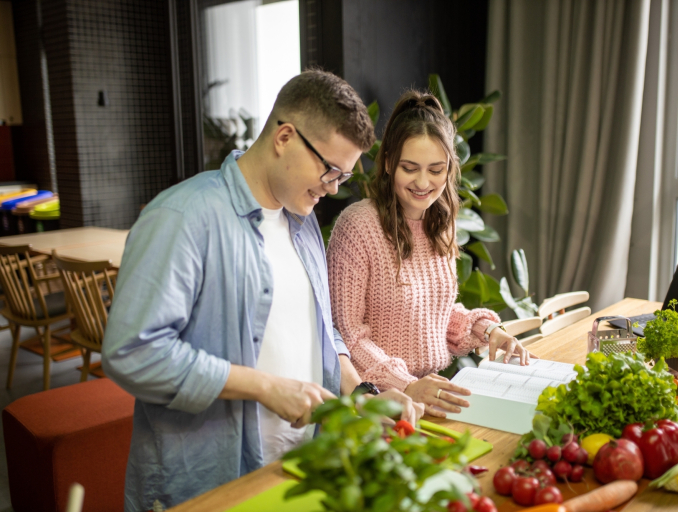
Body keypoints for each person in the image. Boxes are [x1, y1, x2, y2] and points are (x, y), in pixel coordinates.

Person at [102, 70, 422, 512]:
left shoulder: (304, 223)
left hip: (300, 468)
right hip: (209, 481)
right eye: (329, 170)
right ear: (285, 137)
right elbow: (132, 353)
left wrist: (361, 393)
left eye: (343, 176)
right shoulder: (183, 216)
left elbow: (322, 331)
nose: (333, 188)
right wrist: (265, 387)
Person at [326, 90, 534, 418]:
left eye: (436, 170)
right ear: (389, 163)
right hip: (375, 403)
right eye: (410, 168)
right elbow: (346, 335)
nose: (423, 182)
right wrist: (405, 385)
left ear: (450, 168)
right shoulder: (358, 226)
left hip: (428, 395)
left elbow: (433, 313)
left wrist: (487, 330)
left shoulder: (440, 223)